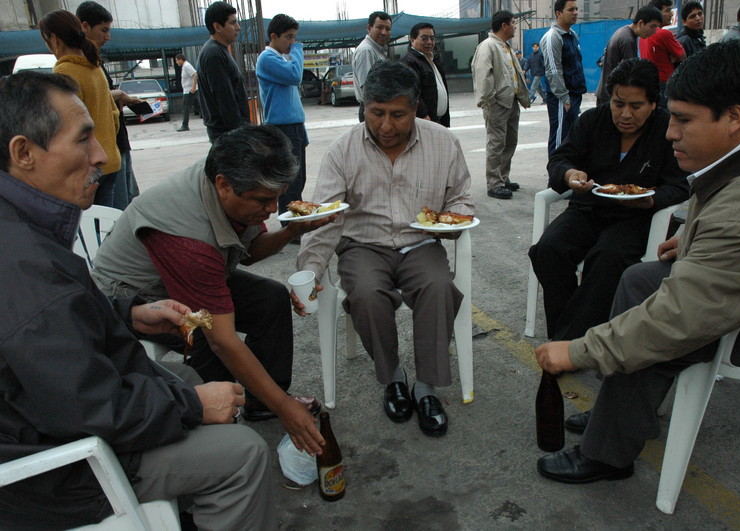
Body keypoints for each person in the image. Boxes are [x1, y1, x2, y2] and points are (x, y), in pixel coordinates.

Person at [0, 71, 275, 530]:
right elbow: (88, 409)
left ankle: (188, 507)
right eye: (84, 140)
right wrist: (192, 406)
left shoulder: (25, 232)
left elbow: (51, 325)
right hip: (53, 467)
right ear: (24, 153)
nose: (102, 156)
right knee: (246, 454)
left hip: (44, 414)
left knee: (185, 372)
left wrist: (128, 313)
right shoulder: (23, 265)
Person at [535, 41, 740, 485]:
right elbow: (719, 191)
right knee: (637, 278)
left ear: (734, 116)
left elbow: (678, 318)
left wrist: (578, 351)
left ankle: (607, 453)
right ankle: (618, 419)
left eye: (683, 120)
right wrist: (696, 238)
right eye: (671, 117)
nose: (671, 132)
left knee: (649, 310)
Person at [90, 125, 336, 454]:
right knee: (207, 338)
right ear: (223, 185)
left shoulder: (231, 182)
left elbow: (250, 254)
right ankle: (222, 420)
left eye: (276, 197)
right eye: (263, 200)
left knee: (270, 298)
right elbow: (224, 340)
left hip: (192, 276)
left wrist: (292, 230)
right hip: (135, 298)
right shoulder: (190, 237)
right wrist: (286, 410)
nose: (271, 208)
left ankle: (261, 400)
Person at [296, 61, 474, 437]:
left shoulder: (443, 142)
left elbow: (460, 197)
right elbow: (324, 216)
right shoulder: (343, 150)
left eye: (398, 114)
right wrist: (311, 269)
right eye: (376, 113)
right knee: (365, 292)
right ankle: (393, 376)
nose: (386, 126)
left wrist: (453, 221)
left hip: (421, 242)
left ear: (415, 109)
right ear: (364, 106)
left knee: (438, 286)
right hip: (363, 245)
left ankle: (426, 387)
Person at [529, 58, 689, 341]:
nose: (625, 114)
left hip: (637, 217)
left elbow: (679, 185)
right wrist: (569, 174)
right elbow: (561, 159)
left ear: (653, 103)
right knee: (548, 249)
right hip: (589, 208)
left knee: (607, 257)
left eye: (636, 106)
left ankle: (569, 341)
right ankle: (571, 332)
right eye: (618, 104)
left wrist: (651, 201)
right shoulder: (592, 121)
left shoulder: (667, 130)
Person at [39, 10, 120, 209]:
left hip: (88, 167)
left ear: (53, 39)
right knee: (106, 225)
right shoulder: (95, 67)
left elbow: (66, 127)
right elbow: (114, 115)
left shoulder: (64, 71)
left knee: (89, 230)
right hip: (110, 159)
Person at [77, 0, 140, 208]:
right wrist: (117, 94)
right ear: (84, 26)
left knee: (126, 202)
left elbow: (101, 97)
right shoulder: (73, 69)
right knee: (114, 213)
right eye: (103, 30)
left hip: (116, 145)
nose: (107, 37)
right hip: (105, 152)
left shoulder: (94, 63)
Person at [256, 13, 308, 228]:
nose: (292, 42)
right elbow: (295, 76)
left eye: (294, 37)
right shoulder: (267, 59)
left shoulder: (280, 58)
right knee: (291, 178)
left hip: (293, 126)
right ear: (274, 36)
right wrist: (298, 50)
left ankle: (294, 216)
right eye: (288, 37)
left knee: (298, 176)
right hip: (282, 127)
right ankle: (291, 222)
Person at [471, 10, 530, 199]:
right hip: (496, 103)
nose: (515, 27)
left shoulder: (506, 47)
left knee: (510, 141)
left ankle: (503, 177)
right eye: (513, 23)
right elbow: (482, 75)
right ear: (504, 25)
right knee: (496, 143)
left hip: (511, 101)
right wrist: (490, 99)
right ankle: (494, 183)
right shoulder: (487, 46)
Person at [197, 1, 250, 142]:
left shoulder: (219, 50)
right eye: (232, 23)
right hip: (228, 136)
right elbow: (225, 99)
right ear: (217, 26)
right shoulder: (213, 53)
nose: (238, 27)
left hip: (231, 133)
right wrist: (240, 135)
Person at [540, 0, 587, 157]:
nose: (575, 13)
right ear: (558, 13)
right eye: (570, 10)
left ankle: (567, 172)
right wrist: (564, 98)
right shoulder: (553, 37)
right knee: (559, 136)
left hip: (574, 93)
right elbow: (553, 71)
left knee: (571, 136)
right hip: (561, 97)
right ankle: (555, 176)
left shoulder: (572, 35)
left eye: (576, 9)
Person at [595, 6, 662, 105]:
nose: (654, 31)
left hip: (606, 92)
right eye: (652, 26)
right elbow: (633, 72)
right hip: (612, 96)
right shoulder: (628, 40)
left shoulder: (623, 32)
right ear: (640, 23)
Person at [399, 22, 451, 127]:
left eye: (432, 38)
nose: (429, 42)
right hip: (425, 121)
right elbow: (411, 93)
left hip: (438, 120)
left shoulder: (433, 59)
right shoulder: (409, 62)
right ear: (412, 39)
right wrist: (423, 115)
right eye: (424, 38)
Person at [639, 0, 686, 109]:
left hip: (650, 83)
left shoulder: (643, 35)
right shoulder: (664, 34)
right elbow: (682, 56)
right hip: (664, 84)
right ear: (657, 13)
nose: (672, 14)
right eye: (668, 10)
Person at [353, 11, 392, 122]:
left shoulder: (378, 49)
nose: (384, 32)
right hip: (374, 111)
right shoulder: (366, 51)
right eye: (379, 27)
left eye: (388, 29)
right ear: (369, 28)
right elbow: (369, 88)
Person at [175, 53, 197, 132]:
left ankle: (185, 125)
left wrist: (194, 87)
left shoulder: (187, 66)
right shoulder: (184, 67)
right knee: (198, 106)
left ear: (181, 59)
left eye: (177, 61)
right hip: (187, 90)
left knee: (186, 108)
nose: (176, 62)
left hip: (190, 91)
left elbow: (195, 74)